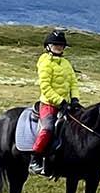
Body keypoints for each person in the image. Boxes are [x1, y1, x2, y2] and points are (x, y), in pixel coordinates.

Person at [28, 29, 79, 175]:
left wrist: (74, 98)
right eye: (55, 45)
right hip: (49, 104)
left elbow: (73, 83)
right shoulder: (45, 63)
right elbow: (45, 87)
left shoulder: (66, 64)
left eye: (61, 45)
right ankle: (35, 159)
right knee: (48, 129)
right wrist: (60, 101)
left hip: (67, 104)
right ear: (48, 46)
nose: (59, 47)